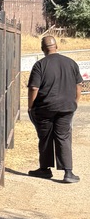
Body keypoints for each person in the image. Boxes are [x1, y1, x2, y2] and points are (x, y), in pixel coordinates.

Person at [27, 35, 83, 183]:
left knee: (45, 137)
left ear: (42, 49)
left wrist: (30, 106)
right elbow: (79, 85)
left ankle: (45, 169)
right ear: (56, 46)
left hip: (45, 107)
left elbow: (33, 88)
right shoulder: (71, 63)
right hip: (66, 107)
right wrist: (75, 102)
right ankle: (68, 172)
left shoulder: (40, 65)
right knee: (63, 136)